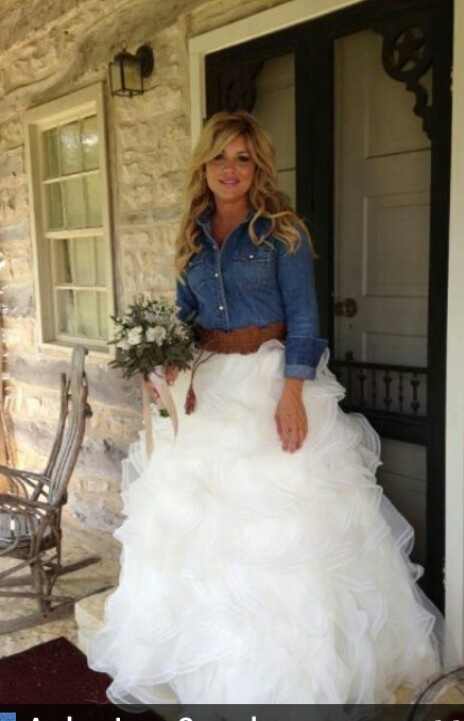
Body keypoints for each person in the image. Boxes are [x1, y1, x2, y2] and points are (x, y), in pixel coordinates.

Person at [88, 111, 442, 705]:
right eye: (221, 156)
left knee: (283, 531)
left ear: (259, 167)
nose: (231, 169)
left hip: (271, 378)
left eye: (243, 158)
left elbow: (306, 316)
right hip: (211, 385)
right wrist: (166, 364)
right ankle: (208, 671)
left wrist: (294, 392)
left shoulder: (282, 232)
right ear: (205, 163)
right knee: (200, 528)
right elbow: (184, 314)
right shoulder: (192, 234)